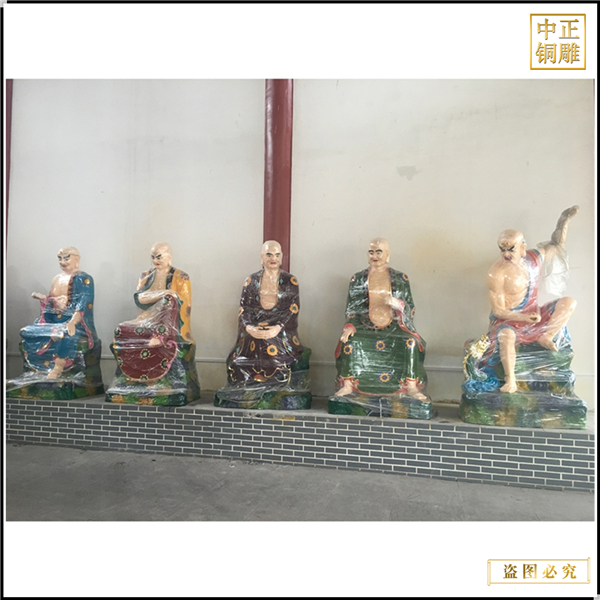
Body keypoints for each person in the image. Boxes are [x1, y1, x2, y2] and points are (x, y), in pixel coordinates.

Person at [483, 205, 579, 393]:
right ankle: (510, 380)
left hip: (534, 317)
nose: (506, 254)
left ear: (522, 247)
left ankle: (546, 336)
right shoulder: (496, 273)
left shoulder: (534, 258)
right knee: (506, 336)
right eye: (502, 249)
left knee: (569, 302)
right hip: (509, 321)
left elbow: (556, 244)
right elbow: (498, 311)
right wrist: (523, 318)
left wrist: (563, 221)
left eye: (511, 249)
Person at [334, 238, 428, 401]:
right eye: (371, 252)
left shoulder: (400, 278)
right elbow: (352, 309)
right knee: (350, 343)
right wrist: (350, 327)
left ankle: (411, 386)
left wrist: (398, 304)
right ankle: (348, 385)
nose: (375, 256)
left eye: (379, 252)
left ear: (387, 255)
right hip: (364, 327)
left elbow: (410, 308)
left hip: (394, 327)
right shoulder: (357, 279)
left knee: (410, 342)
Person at [224, 240, 308, 387]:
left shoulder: (290, 281)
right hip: (255, 326)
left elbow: (292, 309)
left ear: (282, 257)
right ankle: (249, 384)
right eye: (269, 255)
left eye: (277, 255)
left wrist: (278, 327)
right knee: (251, 343)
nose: (273, 258)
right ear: (262, 257)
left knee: (271, 341)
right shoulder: (251, 281)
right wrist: (249, 327)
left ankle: (276, 384)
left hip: (280, 328)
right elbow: (244, 309)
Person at [110, 242, 195, 383]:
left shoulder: (181, 277)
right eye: (153, 257)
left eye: (159, 257)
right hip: (146, 320)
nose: (155, 260)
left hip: (170, 324)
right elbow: (140, 298)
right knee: (120, 330)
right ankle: (133, 376)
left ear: (169, 256)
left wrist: (166, 297)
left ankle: (160, 335)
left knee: (171, 300)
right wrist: (164, 293)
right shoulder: (146, 276)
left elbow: (184, 304)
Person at [19, 247, 99, 379]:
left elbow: (84, 304)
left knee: (64, 334)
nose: (63, 262)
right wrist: (45, 299)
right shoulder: (56, 278)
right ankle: (38, 368)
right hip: (53, 321)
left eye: (67, 258)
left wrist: (72, 322)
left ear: (77, 259)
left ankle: (58, 367)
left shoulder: (84, 279)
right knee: (26, 331)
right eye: (60, 258)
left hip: (75, 322)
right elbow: (51, 302)